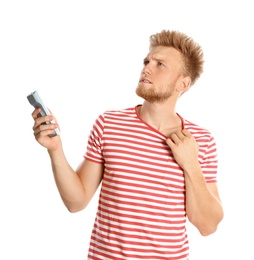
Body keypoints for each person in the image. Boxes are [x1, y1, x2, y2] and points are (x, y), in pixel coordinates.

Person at [31, 30, 224, 260]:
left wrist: (191, 164)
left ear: (183, 83)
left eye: (160, 64)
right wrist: (56, 150)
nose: (146, 67)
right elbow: (77, 202)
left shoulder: (201, 140)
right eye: (147, 61)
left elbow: (207, 226)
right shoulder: (108, 124)